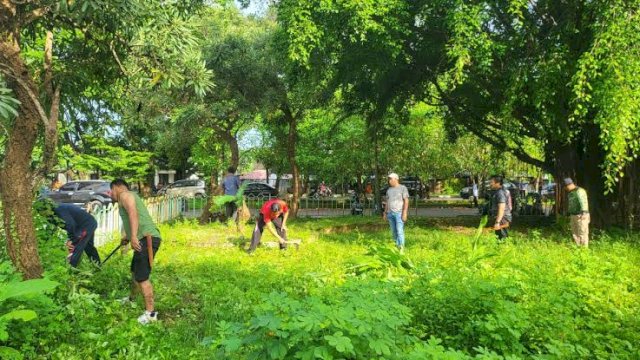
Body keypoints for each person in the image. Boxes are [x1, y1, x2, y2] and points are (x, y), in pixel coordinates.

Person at [110, 179, 162, 325]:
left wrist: (133, 236)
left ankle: (151, 314)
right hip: (144, 238)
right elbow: (135, 218)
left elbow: (133, 214)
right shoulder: (125, 197)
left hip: (147, 239)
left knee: (142, 276)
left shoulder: (125, 195)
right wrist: (128, 237)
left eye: (111, 190)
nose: (111, 194)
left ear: (117, 187)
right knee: (135, 272)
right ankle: (131, 299)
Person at [383, 173, 409, 252]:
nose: (389, 181)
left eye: (391, 179)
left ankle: (401, 249)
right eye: (389, 179)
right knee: (394, 232)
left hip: (399, 213)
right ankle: (395, 247)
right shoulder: (389, 190)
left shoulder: (402, 188)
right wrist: (385, 213)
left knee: (399, 231)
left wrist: (404, 213)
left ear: (396, 179)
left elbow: (406, 200)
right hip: (390, 213)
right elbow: (387, 202)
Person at [564, 178, 590, 247]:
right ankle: (577, 248)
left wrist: (584, 212)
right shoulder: (570, 193)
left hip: (581, 215)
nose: (565, 189)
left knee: (582, 233)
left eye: (565, 187)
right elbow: (571, 204)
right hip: (573, 215)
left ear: (569, 185)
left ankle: (584, 250)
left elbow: (583, 201)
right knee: (575, 233)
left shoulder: (580, 191)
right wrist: (569, 212)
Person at [489, 175, 512, 241]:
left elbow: (501, 208)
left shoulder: (500, 193)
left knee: (502, 239)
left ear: (498, 183)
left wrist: (497, 222)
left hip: (502, 219)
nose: (490, 184)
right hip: (504, 218)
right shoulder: (503, 191)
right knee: (501, 238)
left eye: (491, 182)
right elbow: (510, 207)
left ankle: (504, 250)